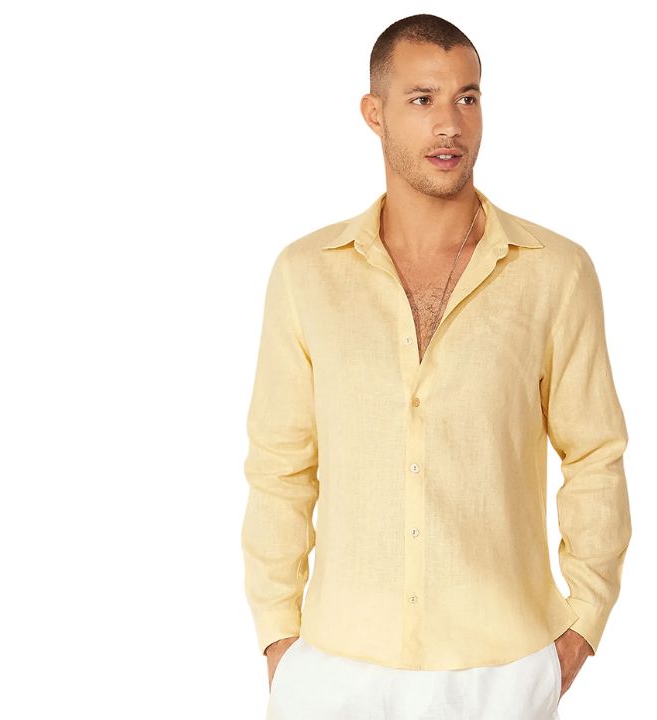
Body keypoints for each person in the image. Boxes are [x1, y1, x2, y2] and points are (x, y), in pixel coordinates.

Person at [241, 13, 632, 720]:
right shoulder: (305, 275)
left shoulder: (556, 273)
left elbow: (595, 452)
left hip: (502, 669)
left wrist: (581, 626)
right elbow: (279, 467)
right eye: (422, 99)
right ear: (375, 113)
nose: (450, 124)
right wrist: (279, 639)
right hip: (335, 667)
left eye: (467, 98)